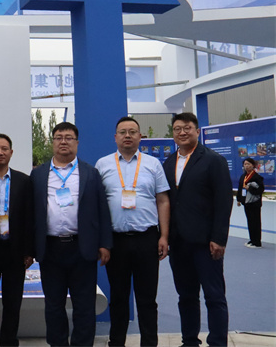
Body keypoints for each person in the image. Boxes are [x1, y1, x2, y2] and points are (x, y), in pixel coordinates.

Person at [30, 121, 112, 347]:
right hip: (50, 249)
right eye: (58, 137)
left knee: (84, 305)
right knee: (53, 306)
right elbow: (31, 213)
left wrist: (105, 243)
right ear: (52, 142)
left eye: (68, 138)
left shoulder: (90, 173)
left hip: (82, 248)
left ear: (77, 142)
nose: (63, 142)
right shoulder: (38, 174)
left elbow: (102, 210)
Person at [96, 117, 170, 347]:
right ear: (115, 137)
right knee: (118, 297)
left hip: (147, 239)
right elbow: (97, 205)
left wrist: (164, 236)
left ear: (140, 136)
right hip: (115, 241)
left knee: (147, 299)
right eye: (122, 132)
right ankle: (116, 342)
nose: (127, 136)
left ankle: (149, 343)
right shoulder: (103, 165)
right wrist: (102, 241)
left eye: (132, 132)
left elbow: (163, 200)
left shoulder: (153, 164)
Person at [164, 112, 232, 346]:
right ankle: (190, 340)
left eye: (187, 128)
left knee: (214, 296)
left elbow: (224, 201)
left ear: (197, 131)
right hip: (179, 242)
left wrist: (219, 238)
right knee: (186, 296)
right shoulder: (168, 163)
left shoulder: (213, 160)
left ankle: (218, 342)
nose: (182, 132)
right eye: (177, 129)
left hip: (206, 243)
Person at [0, 134, 33, 347]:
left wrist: (29, 251)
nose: (0, 152)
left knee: (13, 303)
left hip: (15, 251)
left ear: (11, 152)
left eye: (4, 149)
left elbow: (29, 218)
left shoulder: (24, 181)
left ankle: (10, 341)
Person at [237, 157, 264, 248]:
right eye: (245, 164)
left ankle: (257, 242)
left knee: (256, 222)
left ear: (253, 165)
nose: (247, 166)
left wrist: (250, 188)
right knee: (250, 221)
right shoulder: (243, 176)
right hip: (246, 202)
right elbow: (240, 188)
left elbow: (260, 190)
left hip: (254, 203)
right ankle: (252, 239)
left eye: (248, 164)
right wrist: (239, 199)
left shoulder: (257, 177)